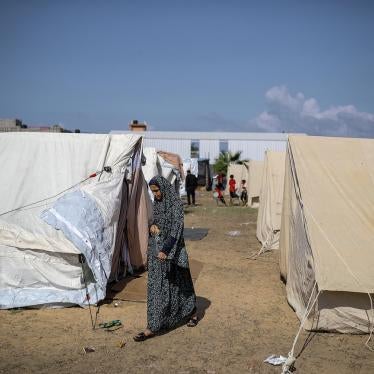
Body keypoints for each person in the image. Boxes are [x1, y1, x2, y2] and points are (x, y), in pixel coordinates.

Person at [133, 176, 198, 342]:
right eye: (152, 191)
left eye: (157, 191)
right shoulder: (158, 203)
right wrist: (153, 226)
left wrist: (166, 249)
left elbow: (177, 227)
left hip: (174, 252)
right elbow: (158, 222)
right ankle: (152, 326)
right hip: (158, 252)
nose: (155, 195)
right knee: (157, 287)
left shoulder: (175, 203)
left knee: (182, 284)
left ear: (163, 187)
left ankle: (192, 312)